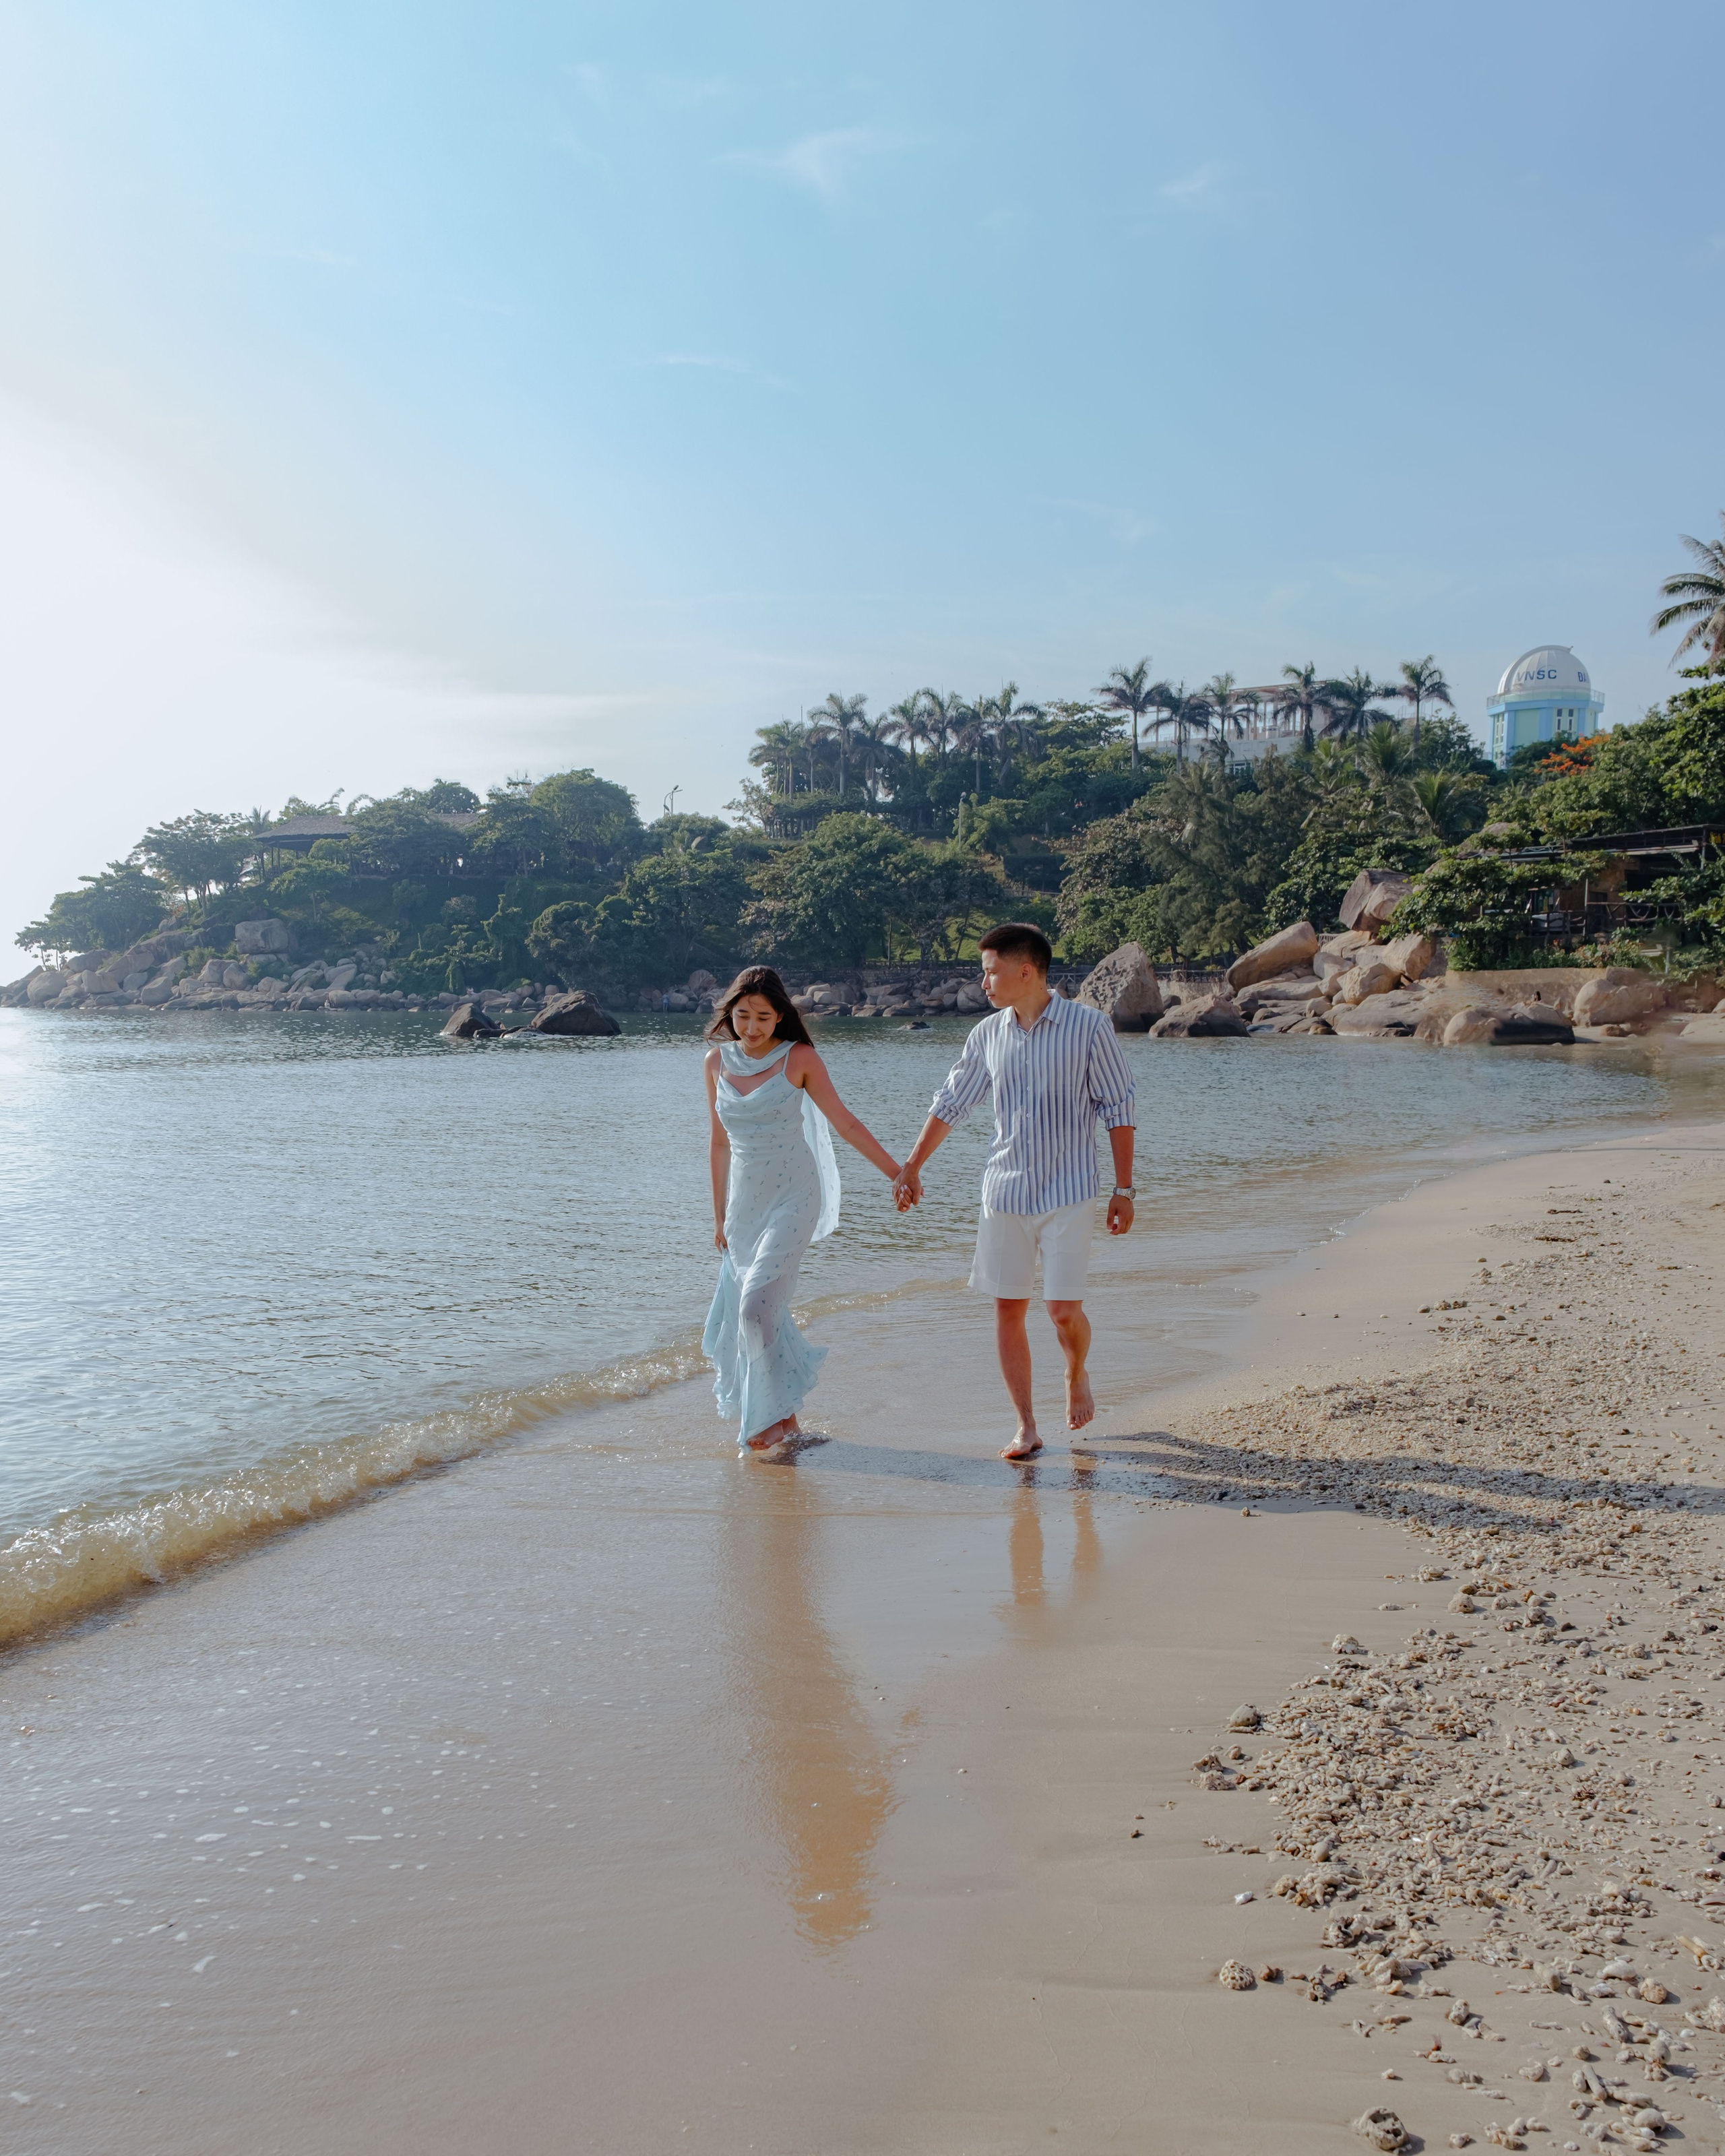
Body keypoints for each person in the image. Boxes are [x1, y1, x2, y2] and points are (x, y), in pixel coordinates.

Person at [893, 922, 1136, 1461]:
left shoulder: (1090, 1028)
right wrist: (912, 1165)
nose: (983, 983)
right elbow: (952, 1102)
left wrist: (1125, 1189)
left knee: (1063, 1312)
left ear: (1026, 972)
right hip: (1004, 1192)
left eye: (990, 972)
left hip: (1070, 1190)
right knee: (1008, 1309)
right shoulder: (987, 1034)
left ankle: (1075, 1370)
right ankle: (1026, 1425)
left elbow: (1119, 1107)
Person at [702, 966, 904, 1458]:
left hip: (794, 1196)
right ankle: (787, 1419)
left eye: (762, 1017)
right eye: (742, 1015)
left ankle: (767, 1419)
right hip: (744, 1206)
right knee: (763, 1308)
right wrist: (718, 1217)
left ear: (780, 1017)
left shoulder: (800, 1059)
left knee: (754, 1306)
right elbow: (719, 1143)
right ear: (729, 1014)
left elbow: (847, 1124)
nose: (751, 1027)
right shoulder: (715, 1062)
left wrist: (897, 1173)